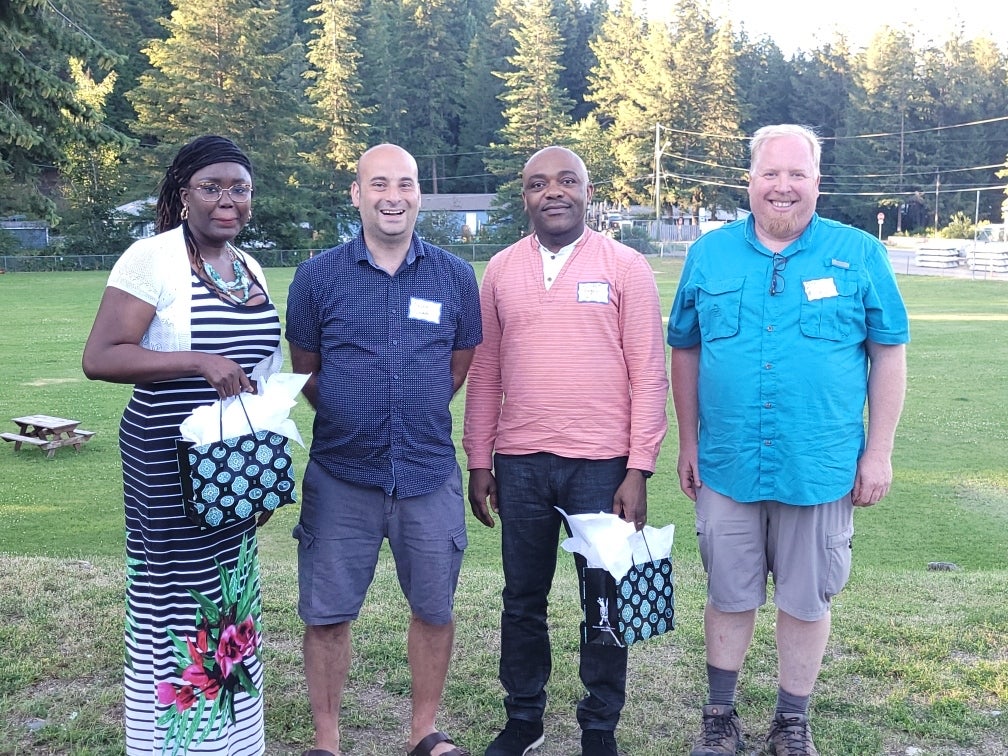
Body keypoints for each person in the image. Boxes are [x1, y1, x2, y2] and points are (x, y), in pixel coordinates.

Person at [666, 124, 909, 756]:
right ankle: (720, 719)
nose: (783, 187)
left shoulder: (858, 255)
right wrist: (688, 442)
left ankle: (790, 721)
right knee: (729, 593)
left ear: (817, 183)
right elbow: (685, 350)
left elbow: (889, 353)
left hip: (820, 466)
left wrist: (878, 451)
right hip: (728, 463)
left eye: (796, 174)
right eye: (770, 174)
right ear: (750, 180)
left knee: (806, 599)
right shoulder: (709, 255)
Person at [463, 146, 669, 756]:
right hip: (520, 463)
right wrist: (480, 460)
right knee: (522, 599)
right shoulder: (499, 269)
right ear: (523, 196)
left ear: (586, 190)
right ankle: (524, 719)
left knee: (605, 597)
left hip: (601, 467)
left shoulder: (626, 266)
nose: (552, 192)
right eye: (536, 183)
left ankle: (599, 727)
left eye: (566, 181)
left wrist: (639, 468)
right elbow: (486, 373)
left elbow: (649, 374)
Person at [82, 135, 283, 755]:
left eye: (240, 188)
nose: (229, 200)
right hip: (167, 461)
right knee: (177, 598)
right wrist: (197, 361)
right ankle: (174, 741)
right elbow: (100, 358)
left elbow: (261, 373)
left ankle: (231, 741)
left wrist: (262, 475)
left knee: (230, 590)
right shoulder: (152, 258)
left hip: (231, 462)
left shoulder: (246, 265)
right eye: (212, 187)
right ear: (182, 194)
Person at [285, 143, 482, 756]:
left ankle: (423, 732)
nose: (392, 196)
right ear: (357, 194)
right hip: (342, 474)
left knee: (434, 607)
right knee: (326, 613)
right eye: (378, 184)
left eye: (404, 184)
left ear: (419, 193)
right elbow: (306, 370)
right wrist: (357, 415)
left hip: (427, 472)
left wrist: (409, 415)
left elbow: (459, 366)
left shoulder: (454, 276)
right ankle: (327, 741)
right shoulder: (318, 277)